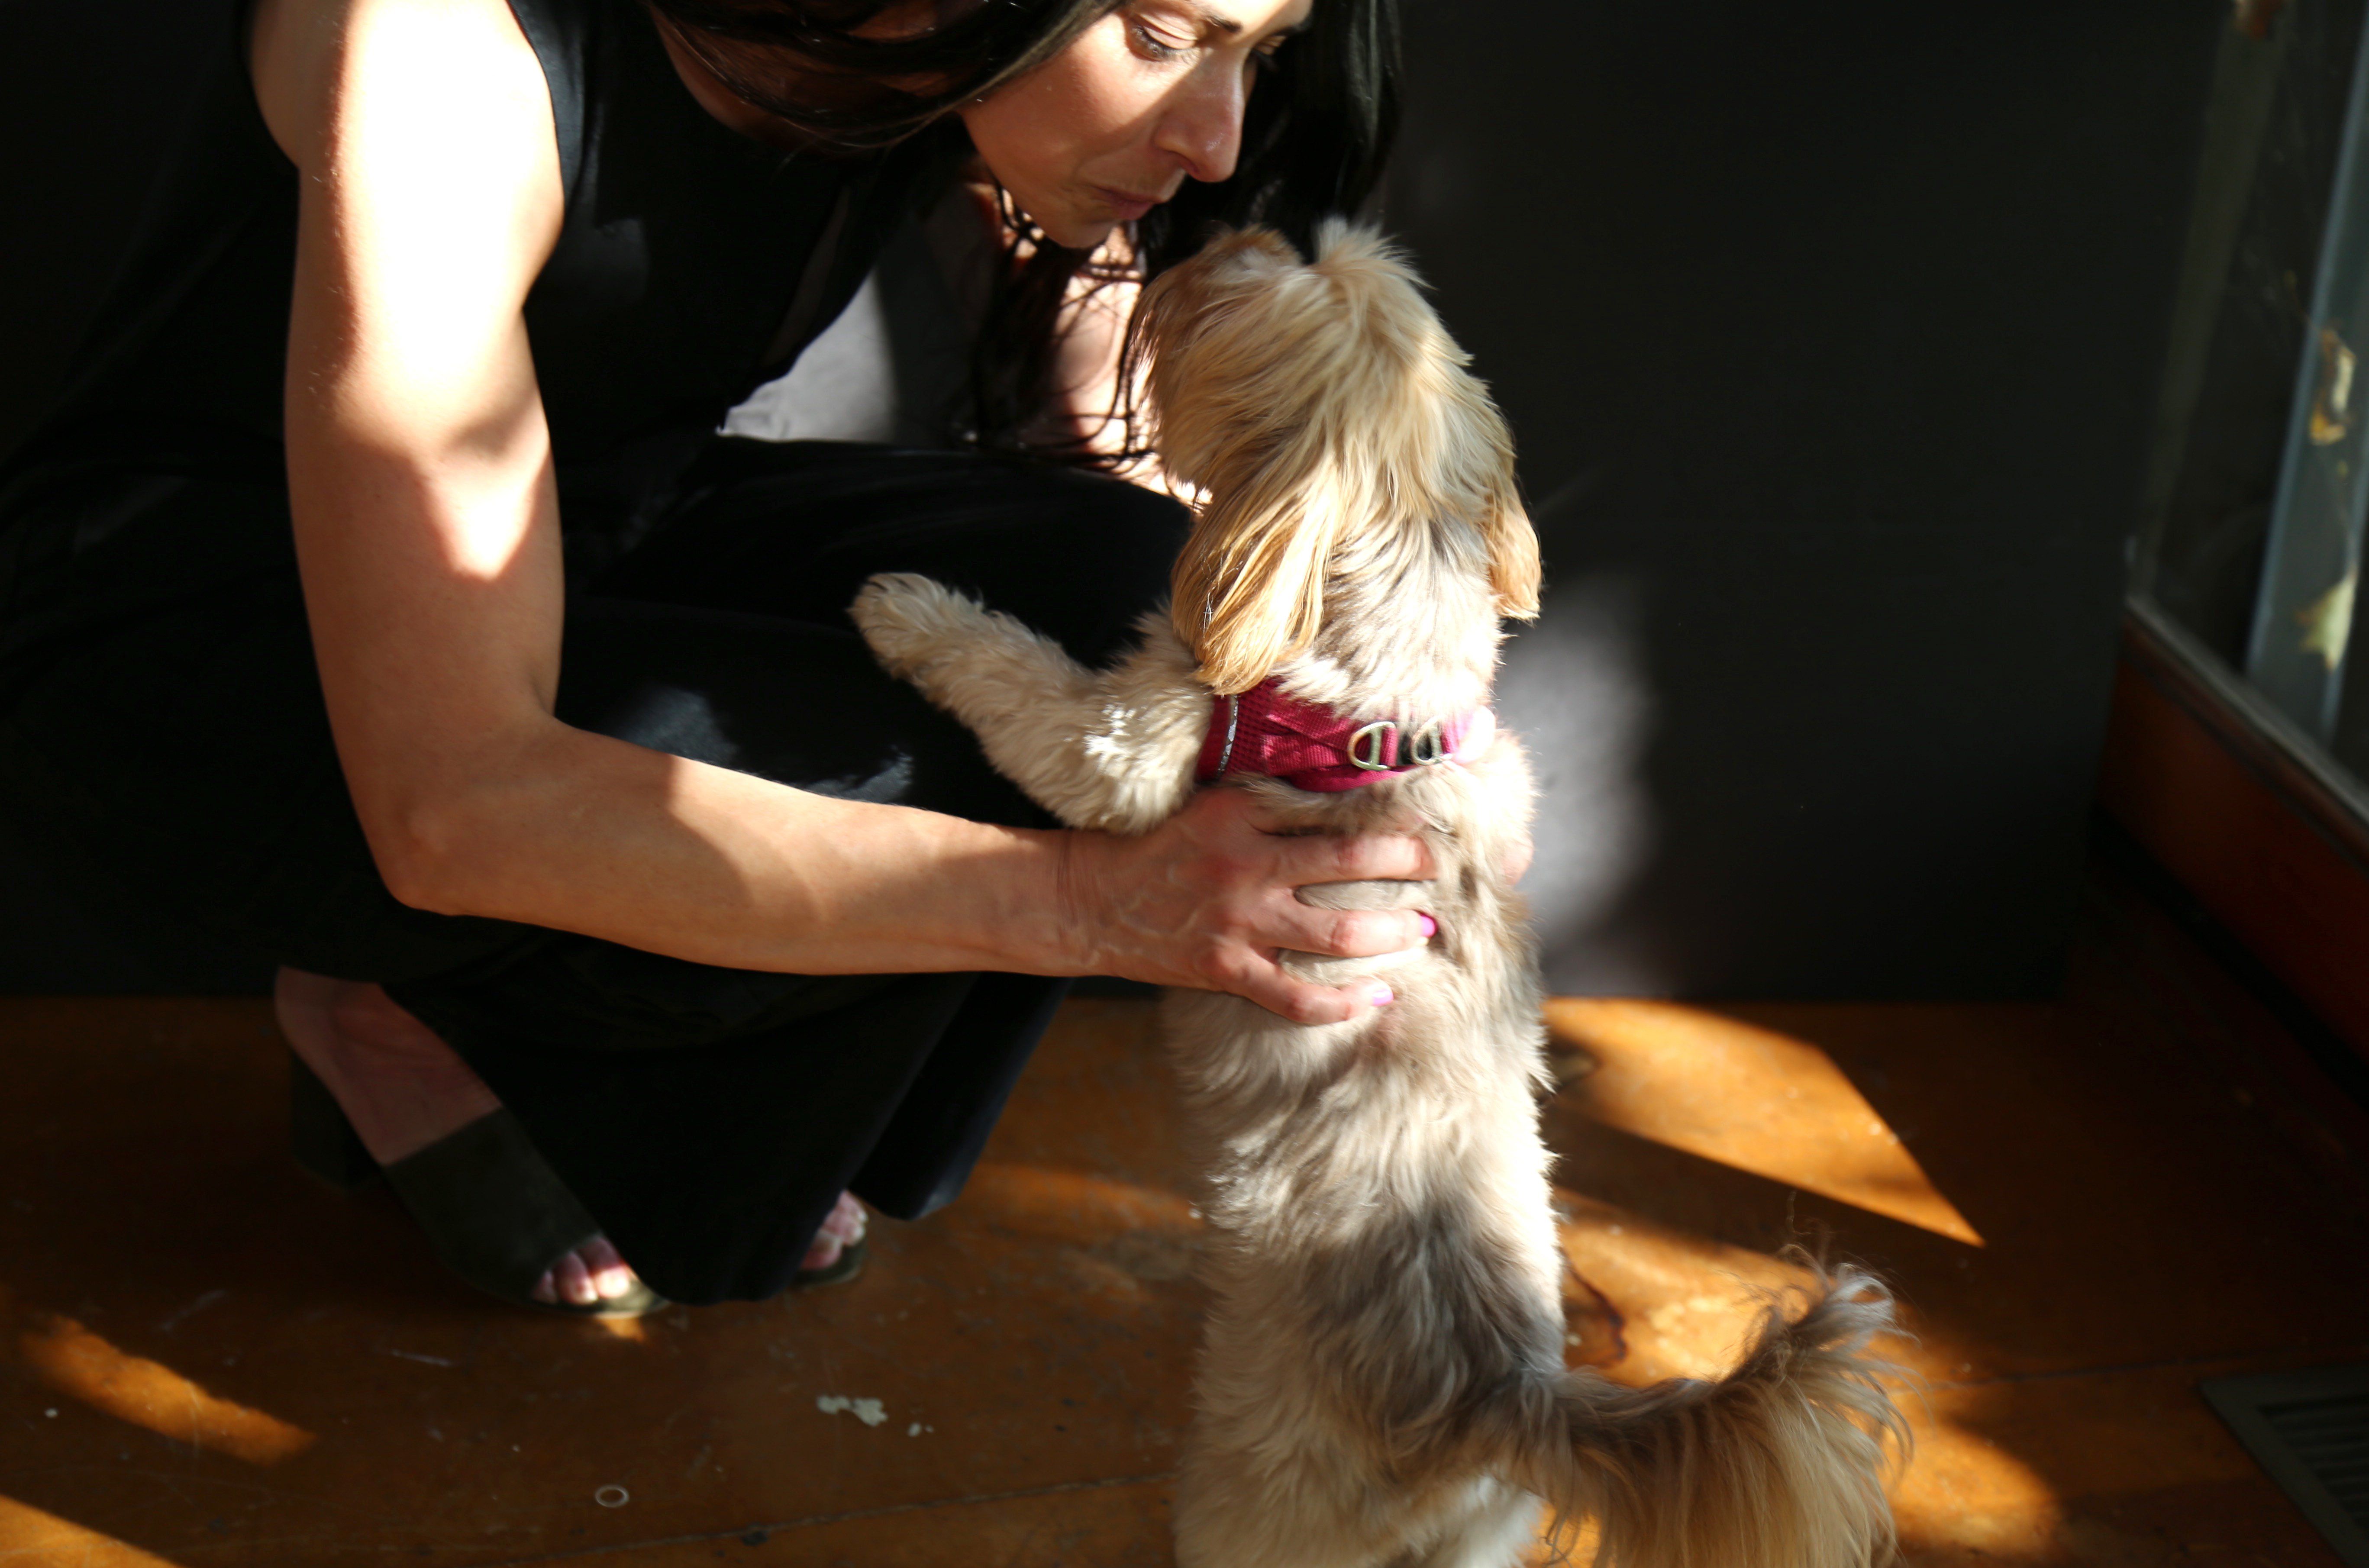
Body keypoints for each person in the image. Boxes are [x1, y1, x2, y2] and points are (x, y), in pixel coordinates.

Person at [0, 0, 1434, 1314]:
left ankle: (564, 1061)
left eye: (1257, 52)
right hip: (199, 653)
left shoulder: (920, 50)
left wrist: (1308, 704)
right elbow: (455, 801)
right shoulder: (442, 53)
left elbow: (1110, 401)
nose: (1216, 137)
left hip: (593, 550)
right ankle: (379, 1004)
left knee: (1122, 607)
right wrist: (1099, 907)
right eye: (1164, 34)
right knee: (902, 763)